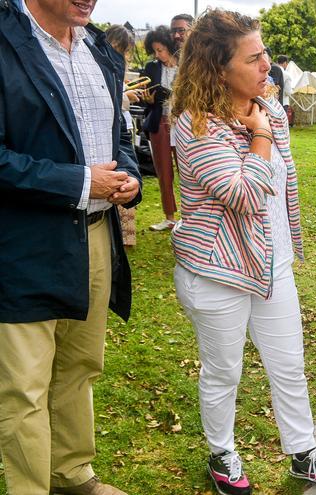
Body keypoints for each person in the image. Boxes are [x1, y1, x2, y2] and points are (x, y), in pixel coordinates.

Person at [170, 9, 316, 494]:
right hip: (217, 270)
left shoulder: (268, 109)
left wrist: (288, 245)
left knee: (289, 363)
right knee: (224, 370)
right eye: (253, 58)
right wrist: (259, 135)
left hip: (271, 264)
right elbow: (246, 193)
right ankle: (222, 452)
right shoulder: (196, 125)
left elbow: (284, 185)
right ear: (217, 68)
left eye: (265, 53)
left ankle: (303, 451)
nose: (266, 65)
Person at [0, 0, 143, 492]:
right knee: (24, 386)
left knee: (80, 366)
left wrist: (128, 177)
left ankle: (71, 474)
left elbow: (115, 139)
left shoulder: (98, 47)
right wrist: (80, 181)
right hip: (22, 245)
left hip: (96, 235)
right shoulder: (3, 39)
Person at [106, 24, 141, 247]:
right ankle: (121, 234)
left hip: (125, 128)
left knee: (127, 178)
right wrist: (126, 96)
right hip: (115, 129)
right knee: (118, 180)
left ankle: (126, 235)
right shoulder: (105, 62)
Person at [142, 26, 179, 231]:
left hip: (183, 123)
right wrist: (148, 99)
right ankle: (170, 217)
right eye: (154, 50)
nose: (157, 54)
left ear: (169, 46)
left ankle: (192, 218)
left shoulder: (186, 66)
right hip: (160, 122)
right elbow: (147, 98)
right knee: (164, 171)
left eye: (160, 50)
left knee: (189, 171)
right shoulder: (151, 68)